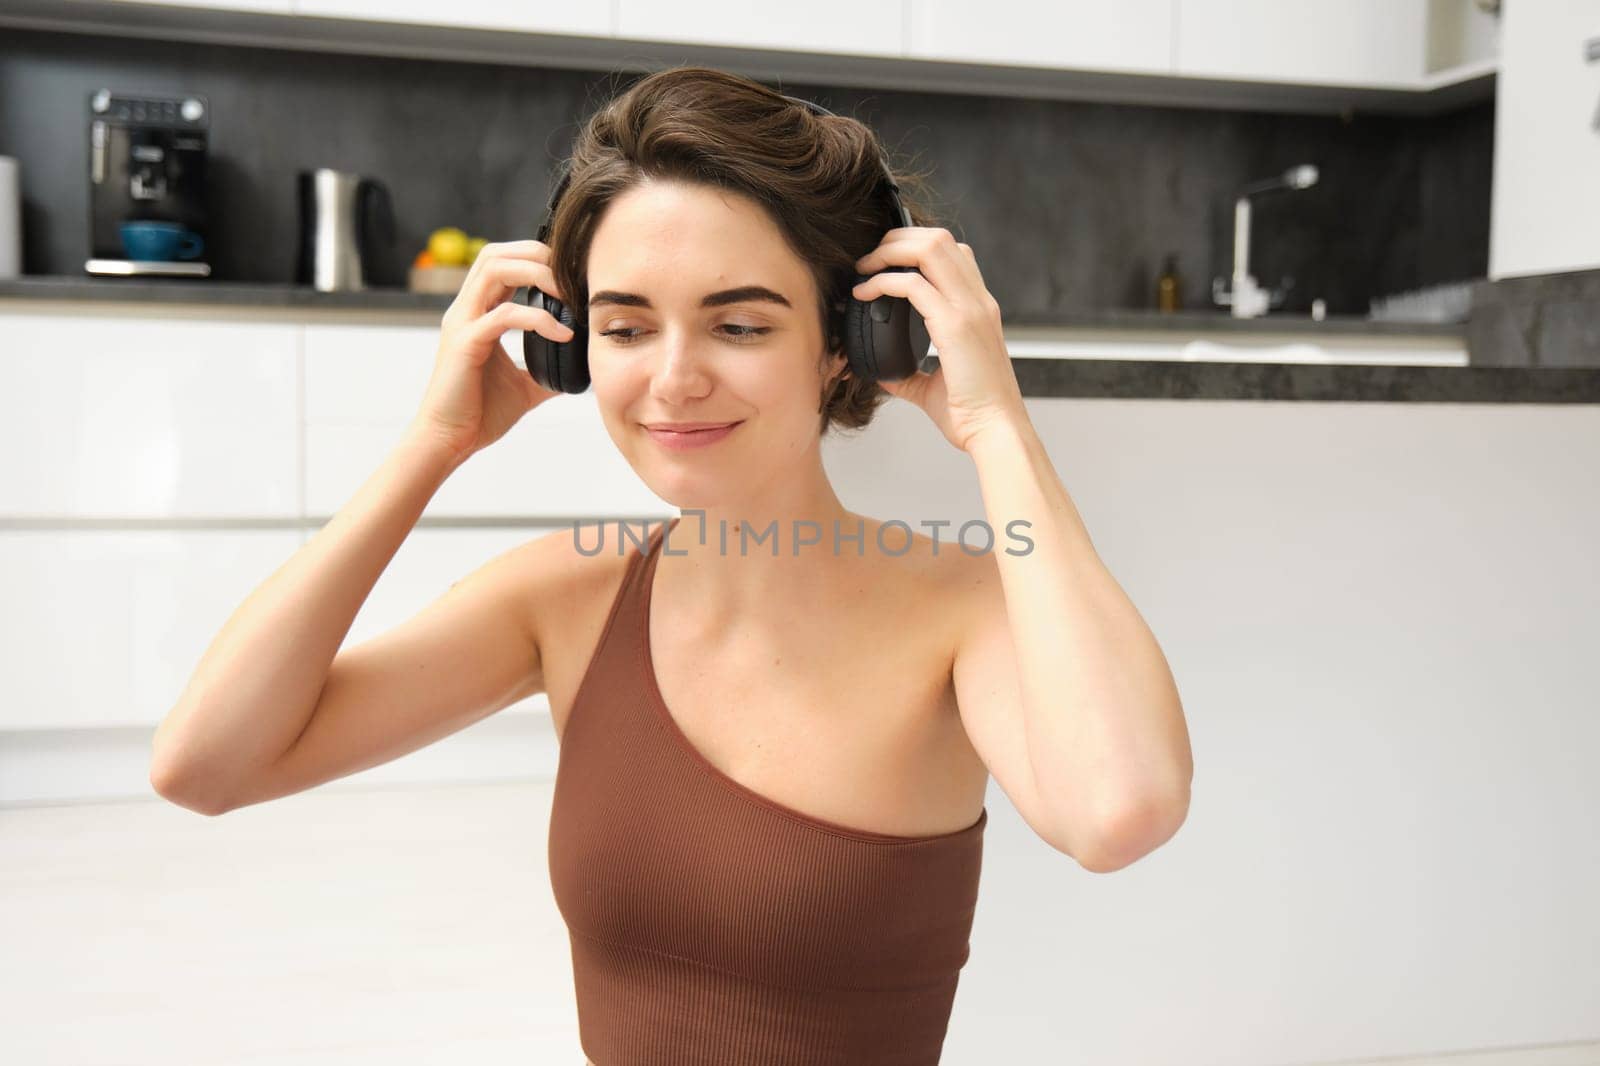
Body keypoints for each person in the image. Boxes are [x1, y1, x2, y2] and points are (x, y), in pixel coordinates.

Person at [150, 64, 1192, 1065]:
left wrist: (993, 424)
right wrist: (433, 444)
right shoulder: (563, 597)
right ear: (567, 344)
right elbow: (206, 765)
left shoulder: (963, 614)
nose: (674, 379)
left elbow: (1119, 812)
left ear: (848, 341)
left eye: (739, 323)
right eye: (624, 326)